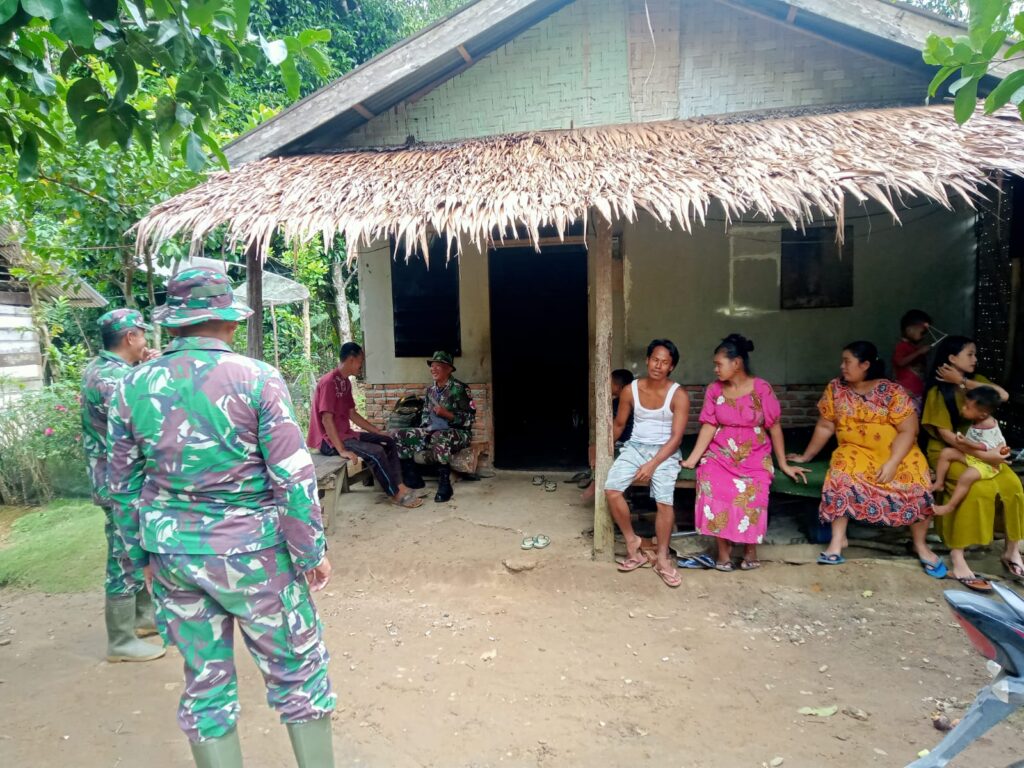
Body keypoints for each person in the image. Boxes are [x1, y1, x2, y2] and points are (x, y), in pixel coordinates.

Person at [107, 268, 336, 767]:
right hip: (255, 556)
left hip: (173, 559)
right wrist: (311, 552)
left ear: (175, 323)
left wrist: (139, 555)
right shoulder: (258, 378)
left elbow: (121, 488)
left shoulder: (130, 387)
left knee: (205, 683)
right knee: (299, 675)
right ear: (228, 321)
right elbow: (294, 479)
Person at [788, 341, 943, 577]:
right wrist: (806, 456)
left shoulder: (892, 391)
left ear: (866, 365)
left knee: (917, 484)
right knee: (840, 475)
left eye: (847, 361)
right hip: (855, 450)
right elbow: (825, 425)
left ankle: (920, 545)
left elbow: (908, 430)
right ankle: (838, 542)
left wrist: (892, 463)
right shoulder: (836, 389)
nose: (842, 366)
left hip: (895, 451)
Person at [81, 309, 166, 663]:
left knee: (136, 545)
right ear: (130, 337)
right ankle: (120, 639)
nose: (146, 342)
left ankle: (143, 620)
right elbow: (144, 421)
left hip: (114, 478)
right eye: (143, 336)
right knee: (123, 555)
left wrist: (145, 368)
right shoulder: (113, 379)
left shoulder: (102, 369)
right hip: (119, 483)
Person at [681, 334, 808, 571]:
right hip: (721, 452)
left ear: (736, 363)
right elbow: (709, 425)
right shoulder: (714, 390)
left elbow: (775, 426)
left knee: (754, 491)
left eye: (719, 364)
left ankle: (750, 549)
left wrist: (783, 463)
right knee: (710, 482)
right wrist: (692, 459)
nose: (715, 369)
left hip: (755, 454)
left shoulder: (761, 388)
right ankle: (723, 552)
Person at [922, 336, 1024, 590]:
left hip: (984, 451)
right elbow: (946, 435)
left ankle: (1012, 550)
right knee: (976, 490)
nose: (975, 359)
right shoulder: (938, 392)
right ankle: (958, 556)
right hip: (951, 450)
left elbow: (1003, 395)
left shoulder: (977, 385)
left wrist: (963, 382)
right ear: (952, 358)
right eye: (970, 354)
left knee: (1014, 486)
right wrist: (984, 456)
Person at [604, 339, 689, 588]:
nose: (658, 366)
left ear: (671, 367)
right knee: (612, 489)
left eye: (664, 362)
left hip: (665, 452)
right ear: (647, 360)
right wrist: (602, 450)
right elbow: (619, 425)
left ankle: (662, 557)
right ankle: (633, 543)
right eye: (655, 360)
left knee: (664, 499)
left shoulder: (679, 394)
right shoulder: (631, 390)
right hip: (635, 447)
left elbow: (676, 438)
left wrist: (652, 465)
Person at [308, 342, 422, 508]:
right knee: (376, 452)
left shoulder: (345, 382)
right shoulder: (329, 382)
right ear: (352, 359)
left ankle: (400, 486)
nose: (362, 366)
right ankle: (395, 494)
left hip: (345, 434)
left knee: (388, 442)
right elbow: (326, 419)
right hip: (328, 441)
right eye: (361, 361)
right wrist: (341, 450)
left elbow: (352, 414)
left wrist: (377, 432)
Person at [393, 351, 475, 503]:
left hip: (458, 433)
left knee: (440, 436)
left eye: (438, 366)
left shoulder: (460, 389)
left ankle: (445, 484)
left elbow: (469, 420)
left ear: (449, 369)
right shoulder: (430, 390)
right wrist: (426, 427)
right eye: (432, 366)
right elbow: (425, 413)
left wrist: (447, 414)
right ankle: (413, 478)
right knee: (399, 435)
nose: (433, 369)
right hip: (433, 430)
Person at [931, 386, 1010, 516]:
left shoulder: (987, 425)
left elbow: (984, 446)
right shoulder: (979, 419)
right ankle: (939, 482)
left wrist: (966, 442)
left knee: (966, 477)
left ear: (983, 414)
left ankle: (950, 506)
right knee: (946, 453)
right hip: (974, 457)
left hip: (987, 464)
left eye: (967, 407)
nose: (963, 408)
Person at [580, 369, 635, 502]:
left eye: (610, 382)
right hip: (622, 440)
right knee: (593, 447)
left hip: (625, 442)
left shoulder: (621, 403)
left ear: (618, 387)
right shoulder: (623, 401)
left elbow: (617, 428)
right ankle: (595, 476)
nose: (607, 385)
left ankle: (595, 482)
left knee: (595, 450)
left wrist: (604, 447)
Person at [892, 309, 933, 413]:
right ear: (909, 330)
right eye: (922, 332)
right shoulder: (902, 346)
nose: (924, 336)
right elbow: (900, 362)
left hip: (918, 392)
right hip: (906, 393)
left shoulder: (914, 347)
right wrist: (919, 352)